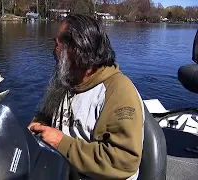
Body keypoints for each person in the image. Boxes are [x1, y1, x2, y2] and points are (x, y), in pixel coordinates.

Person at [28, 14, 145, 180]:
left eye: (57, 44)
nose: (54, 51)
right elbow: (46, 114)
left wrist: (61, 143)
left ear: (77, 48)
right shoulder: (67, 80)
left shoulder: (118, 92)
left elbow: (124, 161)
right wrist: (37, 125)